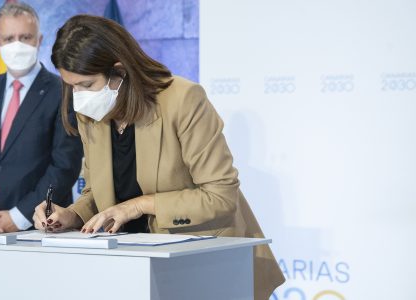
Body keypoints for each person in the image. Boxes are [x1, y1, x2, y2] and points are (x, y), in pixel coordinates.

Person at [32, 15, 285, 299]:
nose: (78, 96)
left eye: (87, 85)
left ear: (120, 71)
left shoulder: (183, 99)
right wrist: (72, 215)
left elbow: (220, 196)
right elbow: (99, 192)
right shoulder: (92, 114)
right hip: (136, 269)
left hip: (207, 264)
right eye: (72, 86)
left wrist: (139, 206)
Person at [0, 2, 82, 234]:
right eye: (8, 38)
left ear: (39, 39)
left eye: (25, 37)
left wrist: (20, 216)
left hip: (39, 226)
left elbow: (65, 165)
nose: (17, 45)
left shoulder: (63, 91)